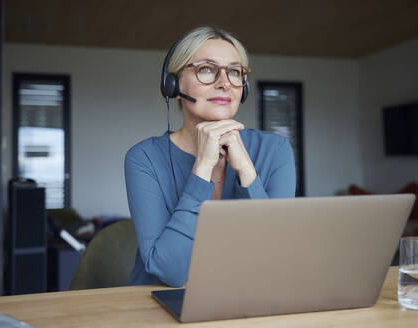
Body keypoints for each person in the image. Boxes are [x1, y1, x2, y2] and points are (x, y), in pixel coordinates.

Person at [124, 26, 296, 287]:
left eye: (235, 72)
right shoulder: (144, 158)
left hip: (244, 298)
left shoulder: (276, 149)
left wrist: (247, 173)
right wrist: (202, 168)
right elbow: (171, 271)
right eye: (206, 68)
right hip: (157, 304)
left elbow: (274, 259)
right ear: (172, 84)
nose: (224, 83)